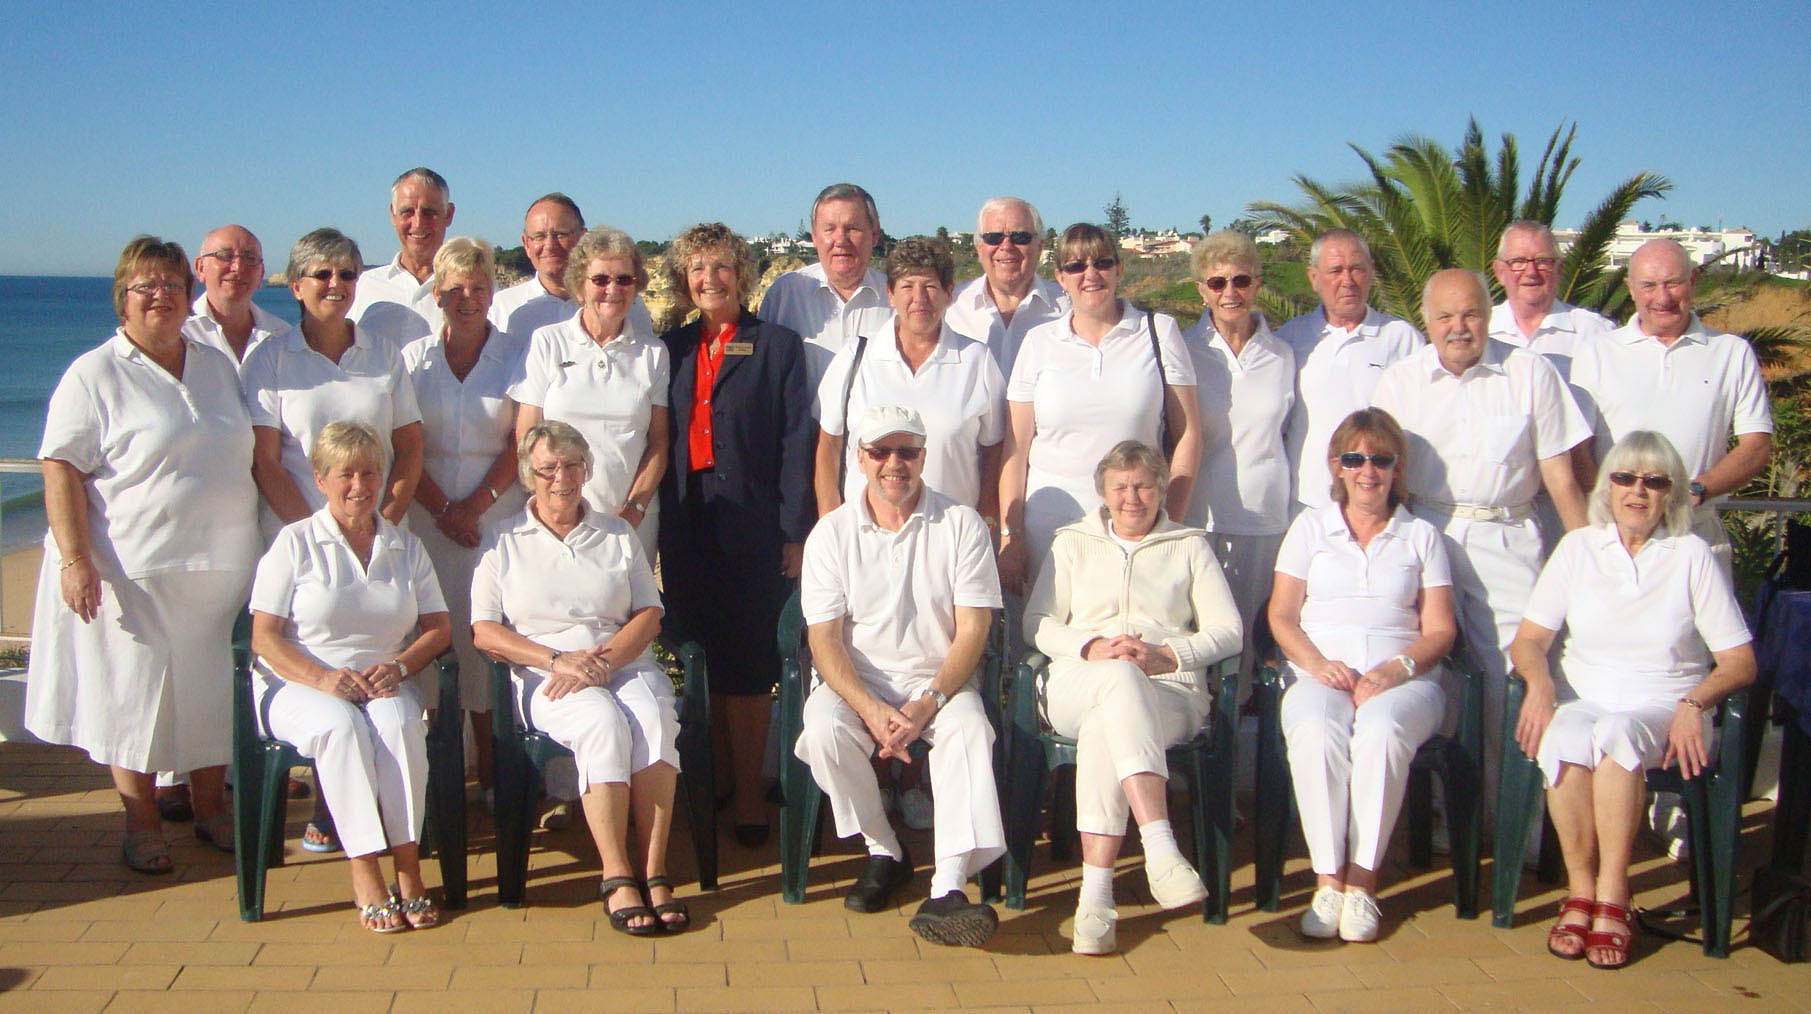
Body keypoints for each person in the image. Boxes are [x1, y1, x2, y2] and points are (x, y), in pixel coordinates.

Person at [25, 236, 261, 873]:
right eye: (144, 287)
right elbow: (60, 469)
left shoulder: (214, 363)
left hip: (222, 570)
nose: (161, 296)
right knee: (132, 699)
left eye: (172, 285)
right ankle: (142, 822)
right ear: (121, 300)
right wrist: (75, 561)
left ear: (190, 294)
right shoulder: (94, 373)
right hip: (132, 572)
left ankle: (211, 810)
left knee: (212, 694)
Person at [1508, 430, 1755, 970]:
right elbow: (1528, 640)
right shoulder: (1578, 549)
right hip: (1589, 698)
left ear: (1672, 492)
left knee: (1616, 733)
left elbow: (1740, 662)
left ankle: (1614, 897)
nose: (1637, 491)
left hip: (1668, 705)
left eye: (1654, 481)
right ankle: (1580, 892)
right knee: (1570, 734)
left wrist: (1696, 703)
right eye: (1624, 477)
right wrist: (1541, 683)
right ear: (1607, 486)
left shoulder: (1691, 554)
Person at [1370, 269, 1590, 813]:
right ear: (1427, 320)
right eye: (1445, 316)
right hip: (1425, 534)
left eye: (1470, 314)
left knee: (1515, 675)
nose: (1458, 327)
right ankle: (1451, 817)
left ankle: (1523, 820)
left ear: (1489, 316)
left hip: (1507, 538)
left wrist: (1590, 560)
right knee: (1430, 675)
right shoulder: (1400, 381)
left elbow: (1560, 477)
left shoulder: (1530, 373)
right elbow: (1381, 474)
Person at [794, 405, 1005, 946]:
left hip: (939, 682)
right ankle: (886, 849)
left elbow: (974, 630)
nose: (895, 463)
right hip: (858, 684)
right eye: (881, 451)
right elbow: (824, 639)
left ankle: (949, 886)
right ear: (860, 459)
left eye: (907, 451)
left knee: (970, 732)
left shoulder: (961, 525)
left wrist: (927, 701)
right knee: (822, 731)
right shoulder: (831, 534)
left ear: (924, 458)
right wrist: (869, 707)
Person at [1025, 440, 1243, 954]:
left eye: (1144, 485)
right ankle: (1159, 845)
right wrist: (1092, 645)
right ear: (1102, 491)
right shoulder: (1071, 541)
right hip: (1080, 680)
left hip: (1168, 693)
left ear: (1162, 489)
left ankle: (1095, 902)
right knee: (1117, 680)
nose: (1132, 497)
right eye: (1120, 486)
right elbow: (1036, 623)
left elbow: (1228, 631)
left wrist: (1171, 655)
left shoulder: (1189, 544)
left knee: (1111, 722)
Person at [471, 422, 688, 936]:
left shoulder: (616, 533)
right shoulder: (502, 540)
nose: (561, 479)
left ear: (587, 470)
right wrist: (556, 659)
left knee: (655, 712)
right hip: (546, 673)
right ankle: (617, 874)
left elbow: (648, 614)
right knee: (600, 719)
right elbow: (484, 632)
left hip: (620, 659)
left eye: (571, 466)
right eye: (547, 469)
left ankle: (655, 869)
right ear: (529, 476)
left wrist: (606, 662)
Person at [248, 422, 453, 933]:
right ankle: (365, 872)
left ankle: (408, 871)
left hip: (383, 677)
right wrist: (321, 678)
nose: (359, 486)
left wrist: (402, 666)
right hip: (298, 682)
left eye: (369, 473)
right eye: (346, 475)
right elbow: (264, 638)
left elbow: (439, 628)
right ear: (320, 479)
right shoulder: (293, 543)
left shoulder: (406, 546)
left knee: (401, 725)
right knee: (342, 728)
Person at [1267, 408, 1458, 942]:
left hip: (1405, 680)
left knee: (1380, 732)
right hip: (1319, 673)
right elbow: (1281, 615)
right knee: (1314, 732)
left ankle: (1363, 884)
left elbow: (1441, 630)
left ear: (1398, 468)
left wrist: (1399, 668)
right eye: (1355, 459)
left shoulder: (1421, 535)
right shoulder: (1310, 527)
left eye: (1381, 459)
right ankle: (1327, 881)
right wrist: (1316, 663)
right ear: (1337, 466)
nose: (1367, 470)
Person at [660, 222, 815, 845]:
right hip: (688, 524)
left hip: (754, 527)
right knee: (702, 654)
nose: (709, 279)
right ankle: (719, 776)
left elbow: (796, 441)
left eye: (721, 267)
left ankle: (750, 792)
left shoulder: (775, 345)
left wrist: (793, 529)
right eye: (697, 268)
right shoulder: (668, 348)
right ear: (683, 278)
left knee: (749, 665)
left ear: (743, 275)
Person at [998, 223, 1203, 594]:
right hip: (1049, 527)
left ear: (1119, 270)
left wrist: (1168, 520)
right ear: (1060, 277)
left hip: (1135, 522)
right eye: (1076, 266)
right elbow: (1016, 450)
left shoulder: (1159, 332)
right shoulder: (1038, 342)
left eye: (1102, 263)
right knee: (1041, 642)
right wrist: (1010, 535)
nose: (1090, 274)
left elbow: (1188, 433)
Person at [400, 237, 528, 801]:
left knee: (485, 637)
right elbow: (404, 447)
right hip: (426, 523)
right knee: (429, 634)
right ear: (436, 294)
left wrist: (472, 508)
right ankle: (437, 772)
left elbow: (522, 442)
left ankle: (494, 773)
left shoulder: (519, 355)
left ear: (492, 292)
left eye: (478, 288)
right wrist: (441, 509)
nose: (468, 298)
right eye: (455, 289)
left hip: (493, 519)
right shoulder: (413, 361)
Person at [1570, 239, 1772, 575]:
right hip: (1615, 541)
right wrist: (1613, 511)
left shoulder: (1731, 353)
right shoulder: (1596, 352)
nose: (1662, 298)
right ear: (1630, 289)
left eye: (1673, 283)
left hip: (1697, 534)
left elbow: (1756, 446)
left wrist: (1694, 492)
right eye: (1649, 285)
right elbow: (1577, 449)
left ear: (1693, 281)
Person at [246, 228, 425, 541]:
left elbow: (410, 450)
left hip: (380, 538)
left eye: (346, 274)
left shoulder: (385, 355)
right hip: (301, 541)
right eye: (322, 274)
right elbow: (266, 462)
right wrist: (322, 537)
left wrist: (381, 527)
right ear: (296, 287)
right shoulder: (270, 359)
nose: (336, 284)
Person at [814, 235, 1005, 516]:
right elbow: (828, 448)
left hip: (950, 537)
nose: (919, 299)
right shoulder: (855, 357)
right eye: (907, 286)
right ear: (890, 294)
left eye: (930, 286)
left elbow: (995, 453)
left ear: (948, 293)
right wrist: (832, 526)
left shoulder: (976, 359)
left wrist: (987, 522)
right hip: (866, 539)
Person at [509, 227, 668, 558]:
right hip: (556, 517)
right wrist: (552, 504)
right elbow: (527, 434)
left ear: (636, 286)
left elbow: (659, 443)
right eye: (600, 280)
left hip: (631, 522)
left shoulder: (653, 353)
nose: (612, 289)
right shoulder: (547, 342)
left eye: (624, 279)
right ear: (579, 286)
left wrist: (633, 510)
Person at [1181, 231, 1294, 695]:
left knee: (1248, 643)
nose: (1230, 292)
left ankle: (1243, 753)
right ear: (1201, 289)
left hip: (1264, 519)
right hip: (1199, 515)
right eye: (1217, 282)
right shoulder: (1184, 350)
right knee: (1195, 637)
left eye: (1241, 280)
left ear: (1258, 284)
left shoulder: (1283, 354)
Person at [1278, 229, 1424, 513]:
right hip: (1308, 504)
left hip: (1380, 505)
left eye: (1357, 269)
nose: (1347, 281)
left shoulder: (1402, 338)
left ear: (1371, 271)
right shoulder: (1289, 339)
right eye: (1335, 270)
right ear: (1313, 278)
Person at [758, 183, 893, 388]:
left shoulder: (897, 299)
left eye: (852, 228)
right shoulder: (784, 295)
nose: (840, 240)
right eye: (830, 229)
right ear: (814, 237)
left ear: (874, 235)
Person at [489, 193, 654, 338]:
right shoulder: (503, 308)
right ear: (526, 244)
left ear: (583, 237)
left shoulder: (627, 306)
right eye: (539, 236)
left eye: (560, 234)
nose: (550, 245)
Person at [944, 197, 1068, 372]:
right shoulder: (949, 307)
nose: (1007, 246)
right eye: (994, 238)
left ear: (1040, 246)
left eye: (1020, 237)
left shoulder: (1069, 309)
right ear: (979, 247)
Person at [1489, 221, 1615, 379]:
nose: (1531, 272)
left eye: (1542, 261)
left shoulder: (1595, 332)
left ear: (1559, 269)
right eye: (1518, 262)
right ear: (1499, 272)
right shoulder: (1481, 330)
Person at [348, 167, 453, 348]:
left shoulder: (471, 293)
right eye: (407, 212)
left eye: (429, 212)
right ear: (393, 215)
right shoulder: (363, 287)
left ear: (448, 215)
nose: (418, 223)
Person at [183, 224, 292, 372]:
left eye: (250, 258)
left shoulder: (283, 336)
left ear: (261, 274)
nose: (238, 267)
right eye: (225, 256)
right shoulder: (179, 332)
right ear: (200, 268)